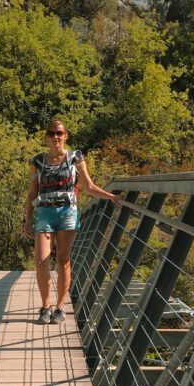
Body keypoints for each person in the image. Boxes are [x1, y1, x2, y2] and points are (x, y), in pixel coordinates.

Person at [23, 118, 123, 325]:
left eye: (59, 133)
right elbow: (33, 192)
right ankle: (45, 306)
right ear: (46, 137)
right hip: (44, 213)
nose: (55, 137)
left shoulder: (75, 157)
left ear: (66, 136)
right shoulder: (37, 161)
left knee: (63, 260)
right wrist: (27, 218)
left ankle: (60, 308)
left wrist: (111, 196)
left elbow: (89, 186)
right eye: (51, 133)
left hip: (67, 212)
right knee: (41, 260)